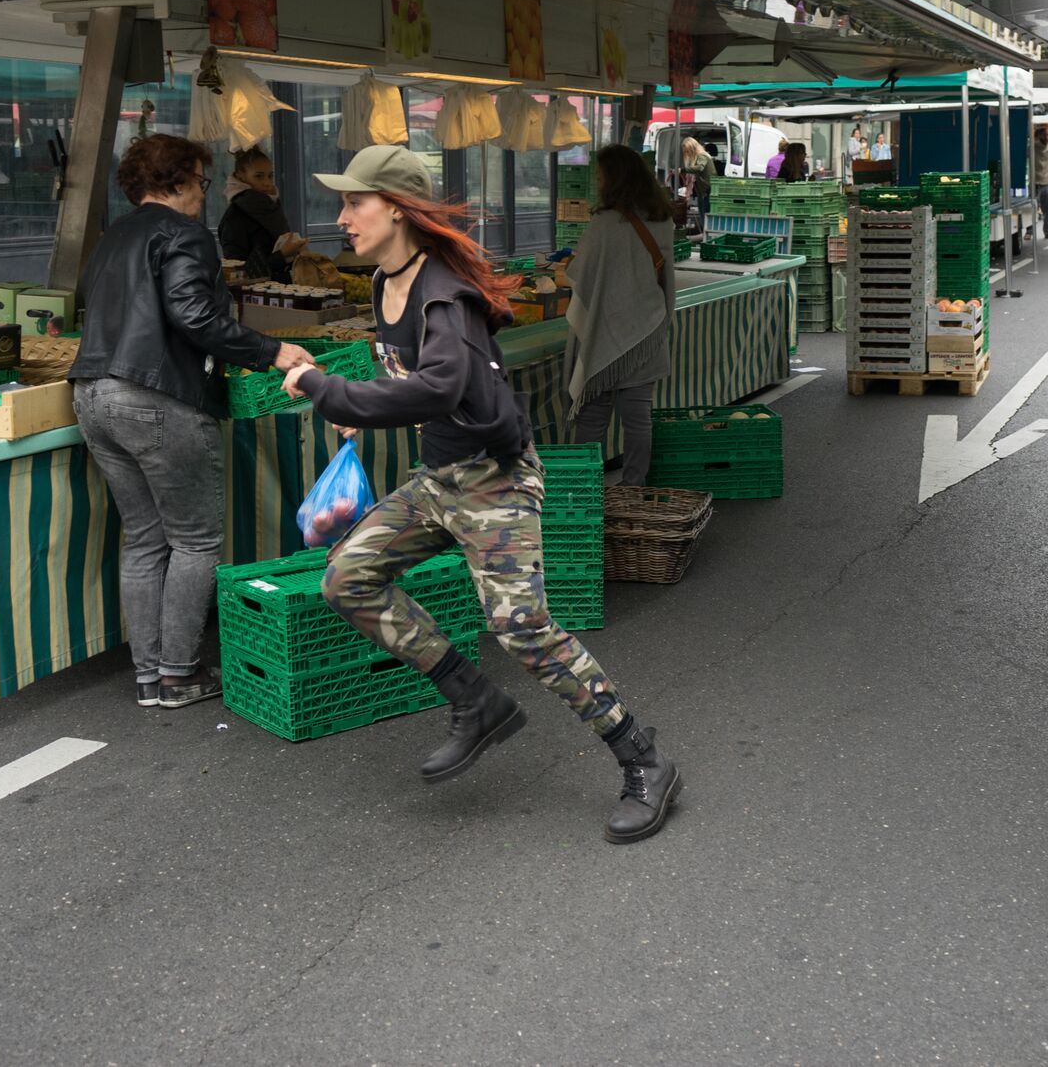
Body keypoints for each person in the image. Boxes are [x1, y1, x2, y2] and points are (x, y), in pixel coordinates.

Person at [283, 145, 680, 844]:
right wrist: (361, 404)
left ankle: (643, 759)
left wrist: (327, 389)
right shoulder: (386, 280)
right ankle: (474, 698)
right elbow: (421, 384)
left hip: (495, 482)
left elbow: (439, 384)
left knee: (521, 627)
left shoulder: (445, 295)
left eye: (355, 202)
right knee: (346, 577)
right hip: (440, 480)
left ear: (397, 209)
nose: (341, 217)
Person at [69, 134, 282, 710]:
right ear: (177, 182)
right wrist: (273, 351)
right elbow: (194, 315)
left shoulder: (113, 235)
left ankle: (150, 675)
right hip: (156, 396)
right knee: (195, 541)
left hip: (90, 393)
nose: (202, 194)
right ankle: (180, 675)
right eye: (201, 182)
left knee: (143, 537)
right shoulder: (184, 233)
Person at [566, 145, 676, 485]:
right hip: (646, 331)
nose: (597, 182)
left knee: (592, 420)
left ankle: (587, 494)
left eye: (600, 176)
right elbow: (666, 280)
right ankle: (634, 491)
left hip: (603, 334)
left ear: (613, 179)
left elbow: (580, 274)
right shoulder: (661, 220)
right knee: (638, 419)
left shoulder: (603, 225)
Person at [217, 146, 296, 281]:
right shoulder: (235, 217)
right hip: (255, 297)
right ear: (240, 177)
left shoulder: (271, 207)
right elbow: (237, 273)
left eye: (270, 176)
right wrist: (282, 255)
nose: (267, 183)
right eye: (258, 176)